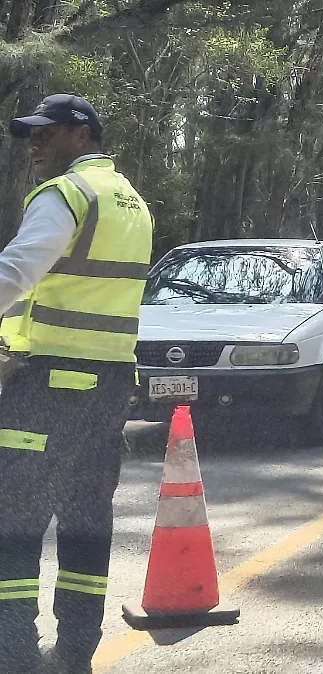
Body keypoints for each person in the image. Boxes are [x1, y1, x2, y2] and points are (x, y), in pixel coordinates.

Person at [0, 94, 153, 674]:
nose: (35, 145)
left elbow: (16, 270)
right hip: (108, 386)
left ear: (83, 135)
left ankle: (13, 654)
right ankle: (75, 653)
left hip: (46, 387)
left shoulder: (66, 196)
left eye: (48, 133)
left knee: (12, 520)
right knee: (86, 518)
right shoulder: (130, 202)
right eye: (30, 135)